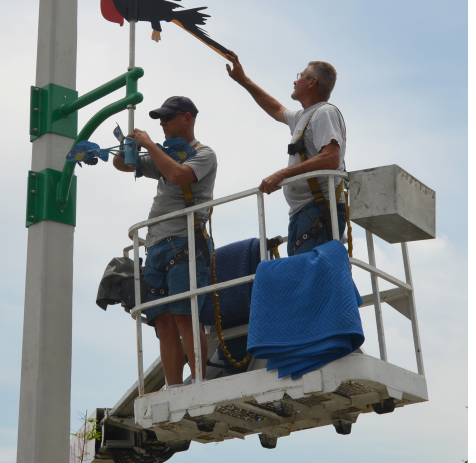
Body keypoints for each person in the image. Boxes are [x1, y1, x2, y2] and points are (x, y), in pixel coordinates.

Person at [113, 96, 217, 387]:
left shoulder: (204, 153)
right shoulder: (166, 154)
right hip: (156, 245)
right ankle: (173, 389)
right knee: (163, 323)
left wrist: (148, 145)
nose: (162, 124)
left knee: (185, 318)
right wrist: (126, 147)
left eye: (168, 118)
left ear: (187, 118)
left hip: (184, 244)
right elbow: (121, 165)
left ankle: (198, 385)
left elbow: (178, 174)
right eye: (160, 119)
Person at [224, 50, 347, 256]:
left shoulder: (325, 112)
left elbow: (331, 157)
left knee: (310, 280)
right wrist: (243, 80)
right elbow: (275, 109)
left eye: (300, 76)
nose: (295, 81)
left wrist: (282, 174)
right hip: (305, 211)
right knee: (303, 278)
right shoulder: (305, 116)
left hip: (318, 209)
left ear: (312, 82)